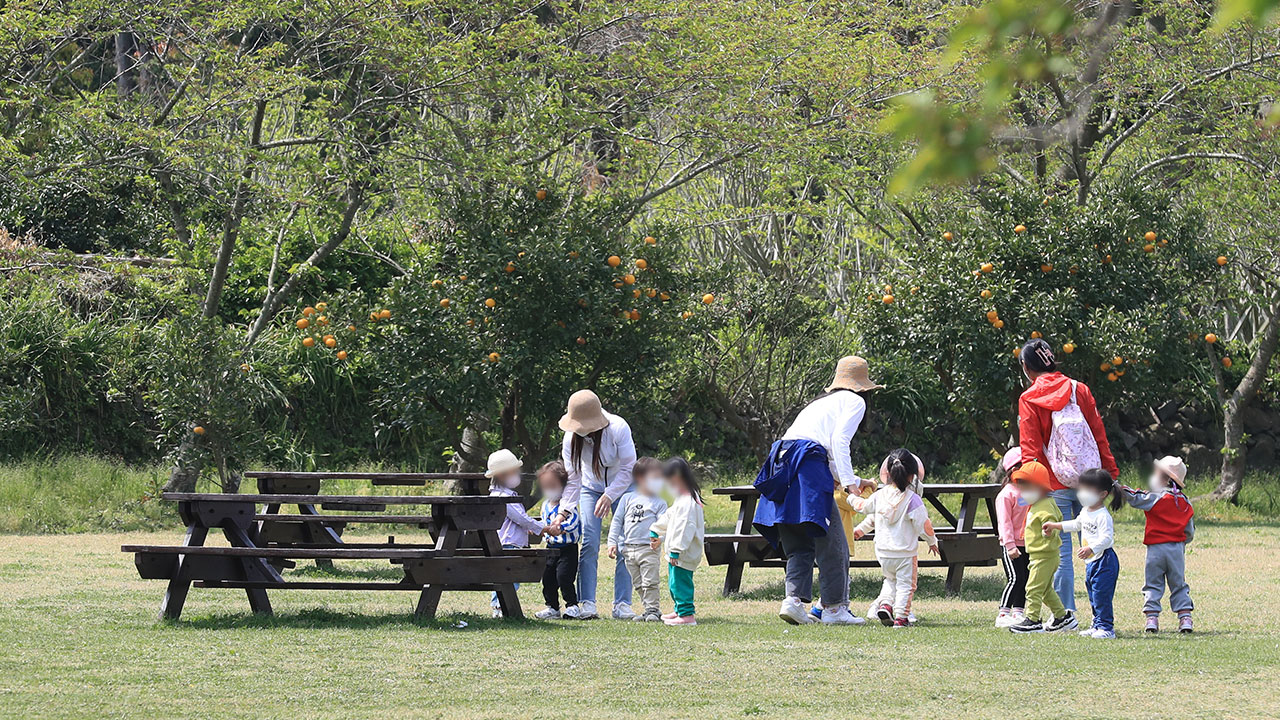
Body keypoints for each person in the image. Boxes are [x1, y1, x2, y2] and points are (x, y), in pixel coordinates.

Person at [753, 356, 880, 626]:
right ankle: (834, 608)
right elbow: (838, 441)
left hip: (782, 462)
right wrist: (850, 485)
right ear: (864, 387)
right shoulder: (855, 401)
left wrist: (853, 479)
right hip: (806, 464)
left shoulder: (820, 403)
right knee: (833, 542)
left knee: (798, 541)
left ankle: (793, 602)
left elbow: (820, 449)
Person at [1017, 339, 1119, 614]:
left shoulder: (1029, 398)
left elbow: (1030, 449)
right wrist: (1110, 473)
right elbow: (1098, 434)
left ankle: (1066, 615)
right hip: (1090, 481)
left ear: (1026, 367)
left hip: (1053, 484)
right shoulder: (1079, 389)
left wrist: (1032, 487)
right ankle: (1100, 616)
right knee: (1096, 550)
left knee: (1060, 556)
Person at [556, 389, 638, 620]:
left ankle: (622, 603)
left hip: (623, 486)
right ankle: (588, 603)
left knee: (625, 542)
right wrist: (564, 511)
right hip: (589, 487)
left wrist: (610, 494)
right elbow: (573, 479)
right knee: (590, 542)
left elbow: (628, 467)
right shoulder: (570, 438)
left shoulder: (618, 428)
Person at [851, 449, 938, 628]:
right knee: (906, 585)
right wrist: (932, 542)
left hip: (883, 553)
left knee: (890, 580)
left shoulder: (879, 496)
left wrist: (851, 498)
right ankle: (901, 617)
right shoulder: (913, 500)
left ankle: (885, 605)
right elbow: (924, 525)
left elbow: (865, 509)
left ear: (887, 473)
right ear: (913, 475)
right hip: (905, 554)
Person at [1117, 456, 1196, 633]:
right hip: (1176, 550)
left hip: (1155, 549)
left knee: (1153, 583)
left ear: (1165, 479)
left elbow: (1135, 498)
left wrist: (1119, 487)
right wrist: (1181, 542)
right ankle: (1185, 618)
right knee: (1178, 583)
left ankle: (1152, 619)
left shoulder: (1155, 497)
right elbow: (1189, 531)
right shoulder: (1185, 502)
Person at [1042, 468, 1122, 639]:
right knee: (1093, 594)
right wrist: (1056, 526)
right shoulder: (1086, 510)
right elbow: (1077, 524)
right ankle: (1096, 624)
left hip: (1104, 561)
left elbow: (1107, 539)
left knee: (1101, 595)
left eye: (1088, 490)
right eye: (1081, 489)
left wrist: (1091, 548)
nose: (1082, 493)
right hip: (1092, 562)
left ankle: (1107, 628)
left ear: (1102, 494)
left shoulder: (1103, 516)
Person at [1007, 460, 1078, 634]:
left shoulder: (1045, 506)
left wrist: (1049, 532)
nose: (1023, 492)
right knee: (1045, 589)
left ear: (1040, 487)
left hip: (1044, 555)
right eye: (1021, 488)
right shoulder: (1038, 504)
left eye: (1027, 488)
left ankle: (1033, 620)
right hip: (1040, 555)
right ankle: (1062, 617)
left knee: (1033, 588)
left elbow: (1052, 522)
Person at [607, 457, 669, 622]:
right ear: (640, 478)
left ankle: (653, 609)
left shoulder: (660, 502)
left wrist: (660, 538)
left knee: (650, 582)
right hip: (629, 549)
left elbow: (664, 524)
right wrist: (612, 542)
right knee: (638, 583)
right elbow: (617, 521)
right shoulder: (627, 498)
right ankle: (648, 609)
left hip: (649, 549)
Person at [487, 449, 546, 618]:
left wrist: (530, 527)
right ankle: (501, 608)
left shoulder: (501, 494)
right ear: (501, 475)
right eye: (514, 472)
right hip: (509, 543)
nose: (517, 475)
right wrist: (542, 528)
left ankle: (501, 608)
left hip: (508, 542)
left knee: (507, 577)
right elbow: (521, 518)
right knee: (508, 577)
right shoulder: (504, 497)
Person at [649, 458, 705, 626]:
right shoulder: (682, 498)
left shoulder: (688, 502)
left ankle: (687, 616)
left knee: (681, 584)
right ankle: (679, 610)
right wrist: (656, 530)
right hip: (678, 552)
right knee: (674, 583)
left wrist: (676, 549)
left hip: (683, 553)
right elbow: (670, 516)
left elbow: (684, 529)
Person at [533, 461, 583, 620]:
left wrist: (561, 528)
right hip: (550, 548)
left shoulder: (568, 505)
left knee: (564, 577)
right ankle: (552, 607)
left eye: (552, 485)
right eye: (545, 485)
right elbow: (543, 521)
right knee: (548, 577)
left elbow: (574, 522)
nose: (549, 489)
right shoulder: (545, 505)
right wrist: (537, 528)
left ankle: (572, 605)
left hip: (567, 548)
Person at [995, 447, 1029, 628]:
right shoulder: (1006, 495)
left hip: (1027, 544)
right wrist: (1010, 545)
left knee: (1025, 579)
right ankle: (1003, 613)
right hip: (1012, 545)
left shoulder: (1028, 491)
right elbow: (1004, 523)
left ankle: (1018, 612)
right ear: (1014, 470)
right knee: (1015, 578)